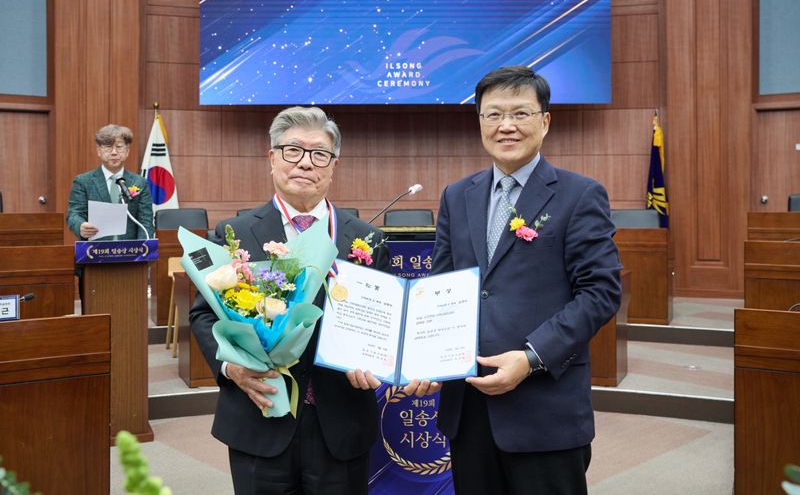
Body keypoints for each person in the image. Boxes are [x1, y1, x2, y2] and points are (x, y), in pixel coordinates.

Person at [405, 66, 622, 494]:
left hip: (544, 409)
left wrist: (531, 357)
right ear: (480, 122)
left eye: (520, 113)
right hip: (469, 408)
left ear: (544, 121)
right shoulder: (456, 194)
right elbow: (442, 284)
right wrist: (426, 356)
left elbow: (600, 292)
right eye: (493, 115)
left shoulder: (580, 194)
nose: (506, 126)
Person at [189, 106, 390, 495]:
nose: (305, 163)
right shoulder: (234, 233)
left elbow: (381, 319)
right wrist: (233, 369)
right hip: (259, 413)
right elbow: (202, 316)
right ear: (272, 158)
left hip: (341, 420)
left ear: (333, 166)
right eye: (293, 150)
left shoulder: (367, 238)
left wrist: (374, 357)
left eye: (319, 154)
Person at [66, 124, 153, 241]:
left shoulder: (139, 182)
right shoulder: (83, 181)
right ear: (99, 151)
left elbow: (145, 220)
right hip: (95, 252)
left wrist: (142, 250)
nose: (114, 152)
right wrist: (80, 225)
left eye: (119, 147)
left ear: (127, 151)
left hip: (130, 253)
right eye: (108, 147)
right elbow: (74, 214)